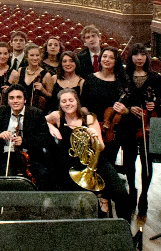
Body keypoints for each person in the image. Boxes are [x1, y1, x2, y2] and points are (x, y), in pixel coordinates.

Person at [46, 88, 133, 219]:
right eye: (64, 101)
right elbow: (42, 120)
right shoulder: (57, 116)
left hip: (96, 162)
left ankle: (125, 231)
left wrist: (94, 137)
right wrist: (51, 127)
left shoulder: (89, 118)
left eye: (71, 100)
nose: (68, 104)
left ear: (77, 102)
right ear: (60, 104)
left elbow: (101, 147)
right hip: (72, 165)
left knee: (121, 195)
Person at [117, 44, 161, 216]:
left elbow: (159, 97)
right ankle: (132, 190)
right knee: (129, 160)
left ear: (147, 58)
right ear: (131, 58)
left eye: (142, 54)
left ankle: (144, 194)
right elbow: (120, 96)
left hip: (147, 123)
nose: (139, 58)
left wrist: (155, 103)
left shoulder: (154, 77)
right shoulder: (124, 75)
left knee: (146, 162)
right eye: (135, 55)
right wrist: (129, 107)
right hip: (128, 122)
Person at [0, 84, 53, 186]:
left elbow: (45, 138)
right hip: (7, 154)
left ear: (25, 100)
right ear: (8, 101)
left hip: (30, 156)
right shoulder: (1, 111)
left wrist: (24, 141)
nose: (15, 101)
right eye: (11, 98)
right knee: (5, 181)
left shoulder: (36, 113)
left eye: (19, 97)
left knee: (43, 176)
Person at [82, 47, 125, 168]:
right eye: (105, 56)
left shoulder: (120, 82)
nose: (107, 60)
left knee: (107, 163)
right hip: (91, 126)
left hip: (111, 130)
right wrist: (90, 121)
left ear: (116, 62)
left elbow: (126, 107)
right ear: (100, 59)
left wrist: (124, 109)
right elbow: (83, 104)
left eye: (111, 58)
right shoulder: (90, 78)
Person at [10, 43, 55, 111]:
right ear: (26, 56)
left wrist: (43, 90)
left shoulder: (46, 75)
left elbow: (51, 97)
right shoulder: (20, 70)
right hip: (20, 110)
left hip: (37, 111)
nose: (35, 58)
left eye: (37, 55)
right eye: (32, 55)